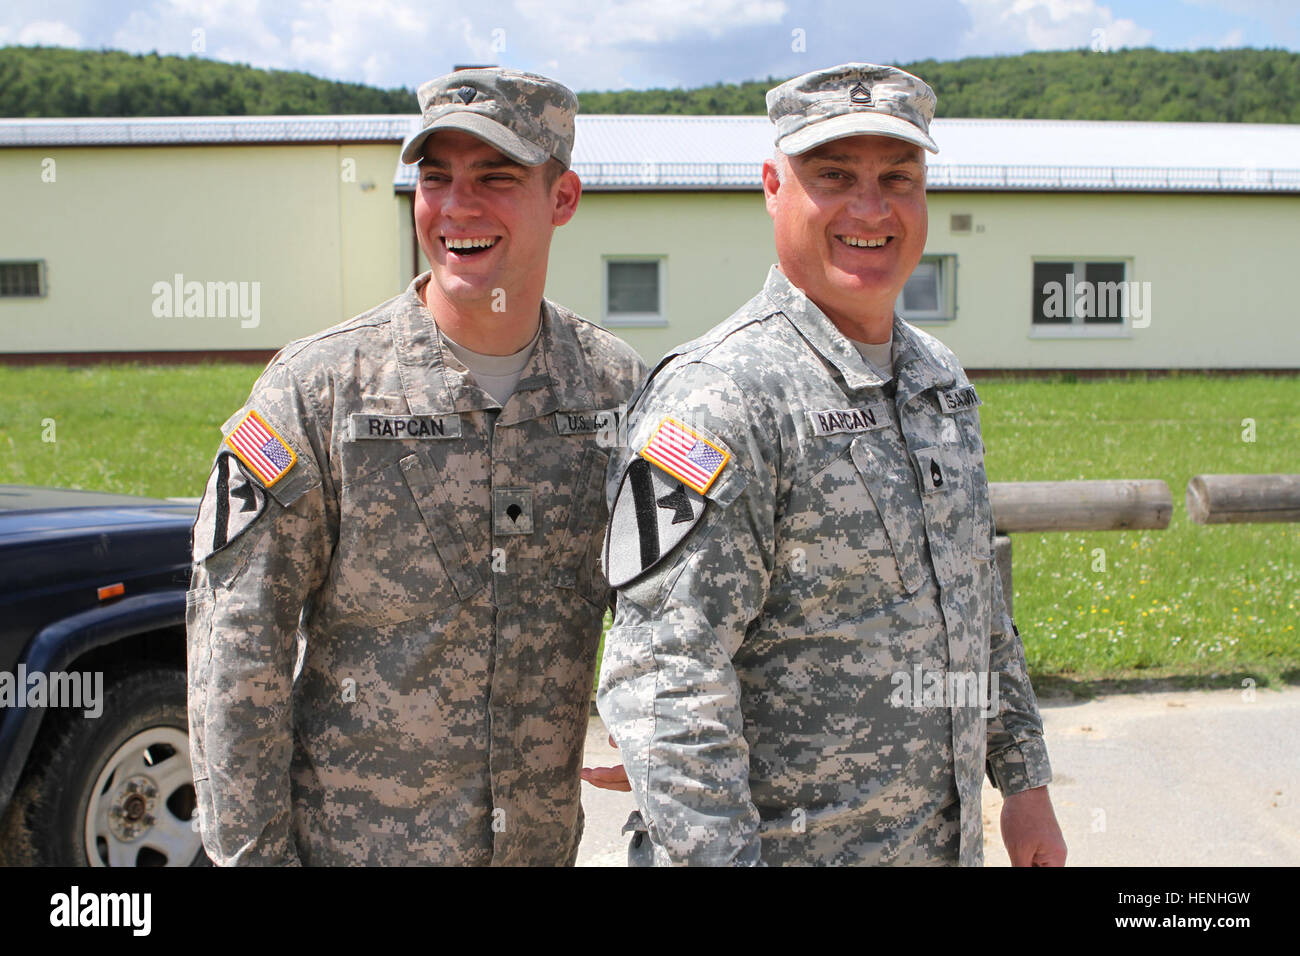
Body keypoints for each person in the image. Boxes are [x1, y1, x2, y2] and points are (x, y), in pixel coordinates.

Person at [595, 63, 1066, 866]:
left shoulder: (939, 382)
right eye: (834, 176)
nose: (871, 208)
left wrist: (1024, 784)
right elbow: (666, 679)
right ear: (774, 185)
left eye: (898, 178)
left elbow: (978, 606)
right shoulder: (718, 398)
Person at [187, 67, 646, 866]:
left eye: (496, 178)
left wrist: (642, 714)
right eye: (436, 179)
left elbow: (664, 597)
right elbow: (236, 649)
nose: (457, 208)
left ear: (562, 198)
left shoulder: (616, 390)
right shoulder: (321, 391)